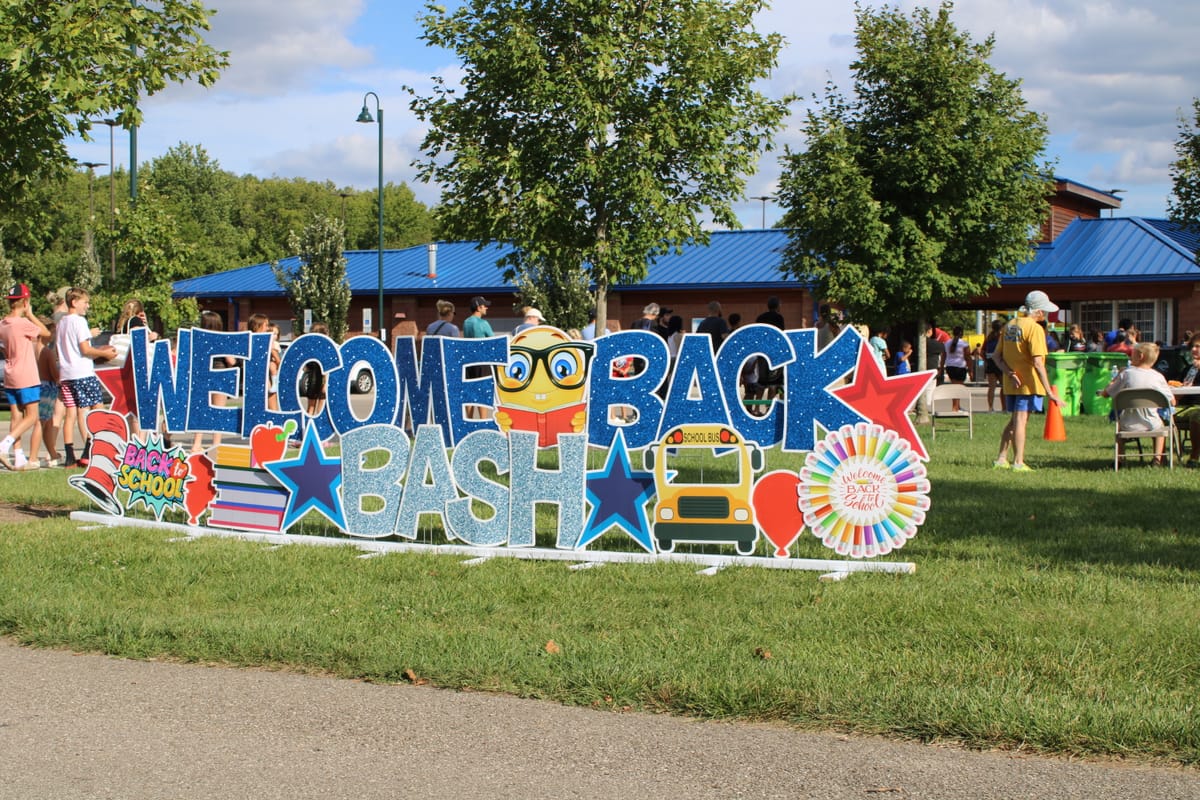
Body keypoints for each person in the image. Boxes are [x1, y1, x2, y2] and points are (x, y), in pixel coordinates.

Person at [991, 290, 1065, 472]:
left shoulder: (1010, 325)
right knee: (1021, 421)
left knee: (1015, 421)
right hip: (1029, 384)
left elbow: (996, 356)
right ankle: (1018, 462)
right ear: (1038, 311)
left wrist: (1009, 373)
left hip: (1012, 383)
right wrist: (1049, 392)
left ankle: (1001, 458)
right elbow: (1038, 363)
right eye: (1045, 311)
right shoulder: (1035, 329)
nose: (1045, 315)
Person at [55, 287, 118, 467]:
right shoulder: (79, 321)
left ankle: (69, 456)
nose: (87, 306)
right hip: (82, 372)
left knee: (71, 413)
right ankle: (89, 450)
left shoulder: (62, 323)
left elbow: (58, 351)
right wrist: (104, 354)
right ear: (74, 302)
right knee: (97, 409)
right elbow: (85, 349)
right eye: (85, 302)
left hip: (66, 374)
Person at [0, 283, 53, 470]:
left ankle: (19, 455)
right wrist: (30, 315)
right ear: (25, 301)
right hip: (26, 375)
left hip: (10, 374)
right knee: (32, 416)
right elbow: (46, 334)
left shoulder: (3, 324)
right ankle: (5, 445)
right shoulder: (23, 324)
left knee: (16, 415)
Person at [1100, 341, 1173, 466]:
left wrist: (1115, 378)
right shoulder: (1158, 376)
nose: (1129, 356)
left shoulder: (1126, 374)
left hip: (1128, 424)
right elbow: (1171, 401)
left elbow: (1107, 393)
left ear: (1140, 356)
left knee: (1118, 423)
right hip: (1152, 424)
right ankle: (1157, 458)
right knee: (1161, 424)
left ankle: (1120, 459)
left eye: (1132, 354)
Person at [463, 297, 494, 420]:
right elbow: (492, 340)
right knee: (482, 391)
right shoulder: (483, 323)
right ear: (478, 307)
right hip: (482, 361)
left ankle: (469, 421)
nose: (486, 308)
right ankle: (482, 422)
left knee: (469, 392)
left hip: (469, 361)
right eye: (484, 306)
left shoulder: (466, 322)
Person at [302, 321, 329, 419]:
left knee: (313, 408)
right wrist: (325, 384)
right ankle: (313, 427)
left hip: (314, 381)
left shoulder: (312, 350)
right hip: (317, 381)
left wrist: (325, 384)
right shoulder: (324, 349)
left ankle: (310, 425)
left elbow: (306, 368)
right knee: (315, 408)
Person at [941, 326, 971, 411]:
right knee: (958, 387)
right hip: (960, 367)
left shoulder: (947, 343)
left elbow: (943, 356)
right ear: (962, 333)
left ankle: (957, 406)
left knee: (955, 386)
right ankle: (955, 407)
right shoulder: (964, 344)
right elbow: (968, 357)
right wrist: (971, 370)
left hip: (950, 367)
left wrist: (941, 369)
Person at [982, 319, 1005, 412]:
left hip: (990, 363)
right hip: (1000, 362)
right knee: (1004, 387)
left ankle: (990, 408)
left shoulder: (988, 338)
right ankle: (1004, 407)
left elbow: (982, 351)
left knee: (991, 387)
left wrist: (986, 360)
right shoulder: (1002, 337)